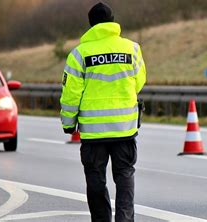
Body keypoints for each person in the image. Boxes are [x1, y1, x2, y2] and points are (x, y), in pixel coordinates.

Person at [59, 2, 146, 222]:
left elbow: (71, 94)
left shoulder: (79, 54)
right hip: (124, 128)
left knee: (96, 179)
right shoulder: (132, 48)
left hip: (93, 133)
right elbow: (138, 81)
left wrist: (68, 123)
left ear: (91, 25)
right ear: (113, 22)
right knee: (124, 175)